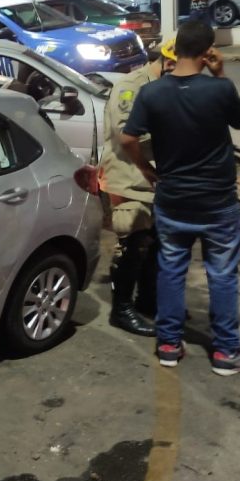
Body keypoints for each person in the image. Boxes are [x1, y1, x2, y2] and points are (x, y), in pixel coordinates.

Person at [122, 20, 240, 374]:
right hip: (217, 203)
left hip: (172, 200)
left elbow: (128, 138)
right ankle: (226, 353)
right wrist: (221, 74)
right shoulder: (220, 90)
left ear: (176, 48)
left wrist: (146, 169)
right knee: (222, 275)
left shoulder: (152, 93)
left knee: (171, 271)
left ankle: (168, 345)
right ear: (208, 51)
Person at [99, 40, 178, 337]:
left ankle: (147, 300)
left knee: (155, 241)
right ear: (170, 62)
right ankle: (121, 310)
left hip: (155, 176)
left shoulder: (167, 85)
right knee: (133, 243)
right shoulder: (131, 87)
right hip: (128, 175)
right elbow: (127, 134)